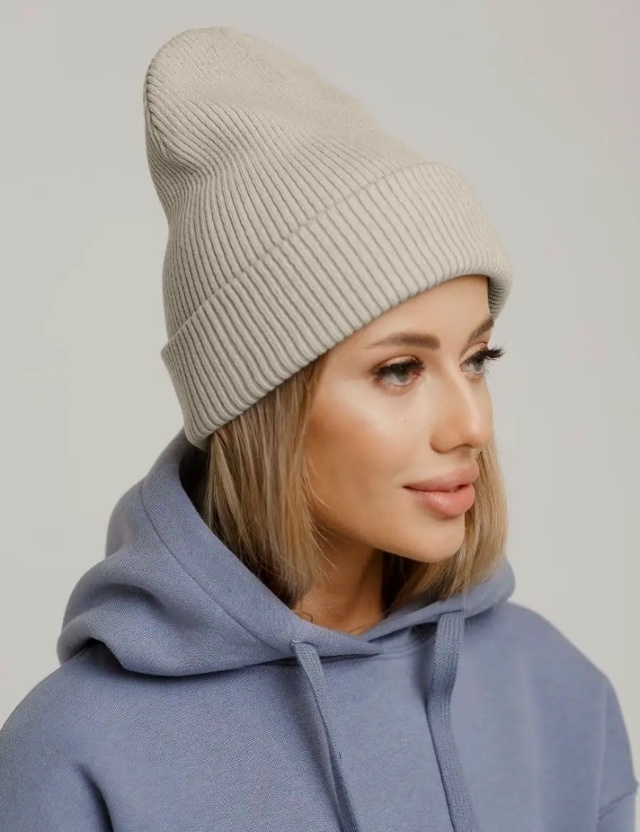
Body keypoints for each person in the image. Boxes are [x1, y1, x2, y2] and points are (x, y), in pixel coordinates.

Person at [0, 24, 636, 832]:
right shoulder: (75, 755)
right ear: (259, 401)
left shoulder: (558, 698)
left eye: (477, 358)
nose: (472, 423)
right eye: (399, 370)